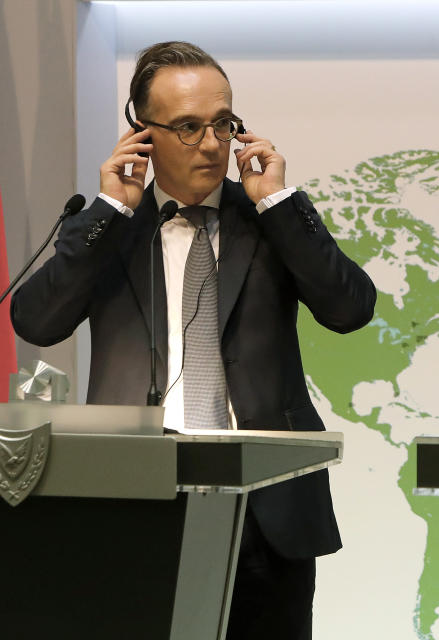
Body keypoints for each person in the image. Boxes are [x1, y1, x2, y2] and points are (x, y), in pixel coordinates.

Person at [11, 41, 376, 640]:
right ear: (141, 133)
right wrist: (107, 210)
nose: (210, 144)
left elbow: (351, 309)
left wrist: (280, 204)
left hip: (265, 509)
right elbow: (37, 321)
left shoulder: (268, 220)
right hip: (135, 501)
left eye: (222, 124)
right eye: (186, 127)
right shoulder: (111, 229)